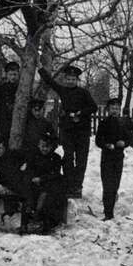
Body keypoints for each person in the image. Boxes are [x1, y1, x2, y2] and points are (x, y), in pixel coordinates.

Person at [38, 64, 98, 198]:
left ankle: (78, 187)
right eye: (68, 79)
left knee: (81, 160)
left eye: (73, 79)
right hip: (67, 131)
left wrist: (80, 113)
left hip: (82, 131)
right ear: (65, 80)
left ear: (77, 80)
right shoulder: (63, 90)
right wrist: (40, 67)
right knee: (68, 158)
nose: (70, 81)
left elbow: (93, 107)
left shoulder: (84, 92)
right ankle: (69, 185)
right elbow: (50, 81)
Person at [95, 98, 133, 221]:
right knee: (107, 185)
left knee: (115, 185)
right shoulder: (103, 123)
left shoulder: (123, 123)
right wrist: (106, 145)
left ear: (119, 110)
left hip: (118, 158)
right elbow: (98, 140)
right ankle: (108, 213)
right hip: (106, 158)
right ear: (108, 110)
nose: (115, 111)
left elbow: (129, 138)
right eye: (112, 108)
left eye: (117, 108)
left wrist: (124, 143)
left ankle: (110, 207)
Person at [23, 133, 66, 234]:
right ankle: (25, 223)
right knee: (28, 195)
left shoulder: (56, 158)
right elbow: (29, 170)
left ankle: (45, 224)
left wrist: (41, 179)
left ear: (51, 147)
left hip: (48, 184)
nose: (44, 149)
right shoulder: (33, 156)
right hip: (35, 184)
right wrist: (33, 178)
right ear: (38, 145)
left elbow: (55, 173)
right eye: (42, 146)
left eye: (47, 147)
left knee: (47, 198)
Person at [0, 135, 30, 225]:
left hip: (21, 184)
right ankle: (7, 217)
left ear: (5, 148)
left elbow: (28, 157)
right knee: (7, 204)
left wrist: (25, 164)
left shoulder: (13, 155)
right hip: (7, 189)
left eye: (1, 148)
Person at [0, 62, 20, 142]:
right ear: (7, 75)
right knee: (4, 141)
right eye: (10, 74)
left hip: (18, 120)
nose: (13, 77)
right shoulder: (1, 88)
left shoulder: (21, 88)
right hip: (4, 121)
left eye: (15, 74)